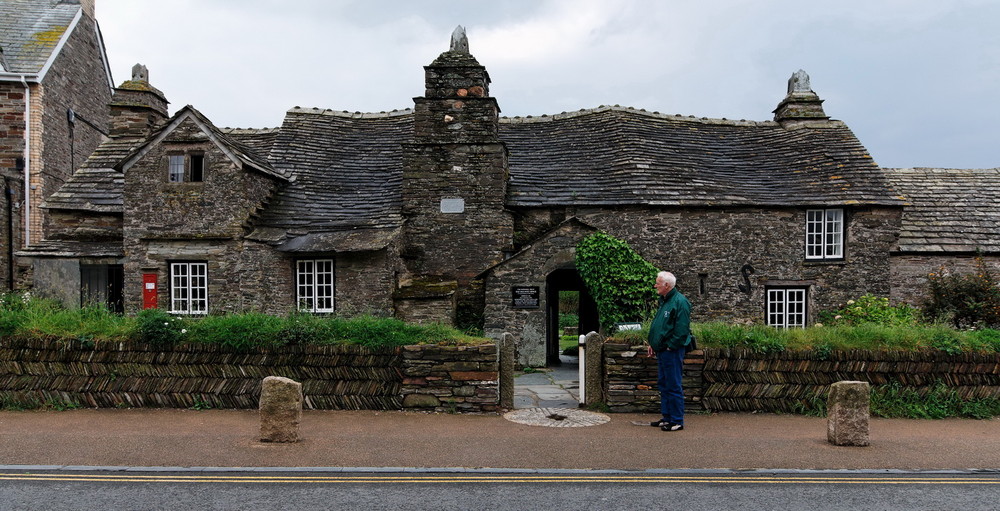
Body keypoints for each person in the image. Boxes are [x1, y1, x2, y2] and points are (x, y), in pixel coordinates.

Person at [647, 271, 692, 432]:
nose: (655, 285)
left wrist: (671, 346)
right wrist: (654, 343)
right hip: (663, 350)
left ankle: (677, 420)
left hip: (671, 351)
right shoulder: (665, 300)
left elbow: (681, 330)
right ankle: (667, 418)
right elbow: (661, 326)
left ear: (666, 285)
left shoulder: (680, 302)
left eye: (657, 283)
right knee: (664, 384)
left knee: (673, 385)